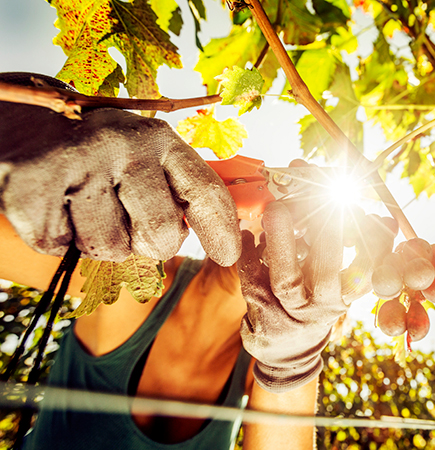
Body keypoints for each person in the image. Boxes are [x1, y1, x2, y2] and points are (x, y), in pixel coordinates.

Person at [0, 73, 395, 449]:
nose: (284, 224)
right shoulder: (129, 268)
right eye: (278, 199)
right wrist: (17, 124)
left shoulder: (276, 360)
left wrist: (293, 367)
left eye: (307, 221)